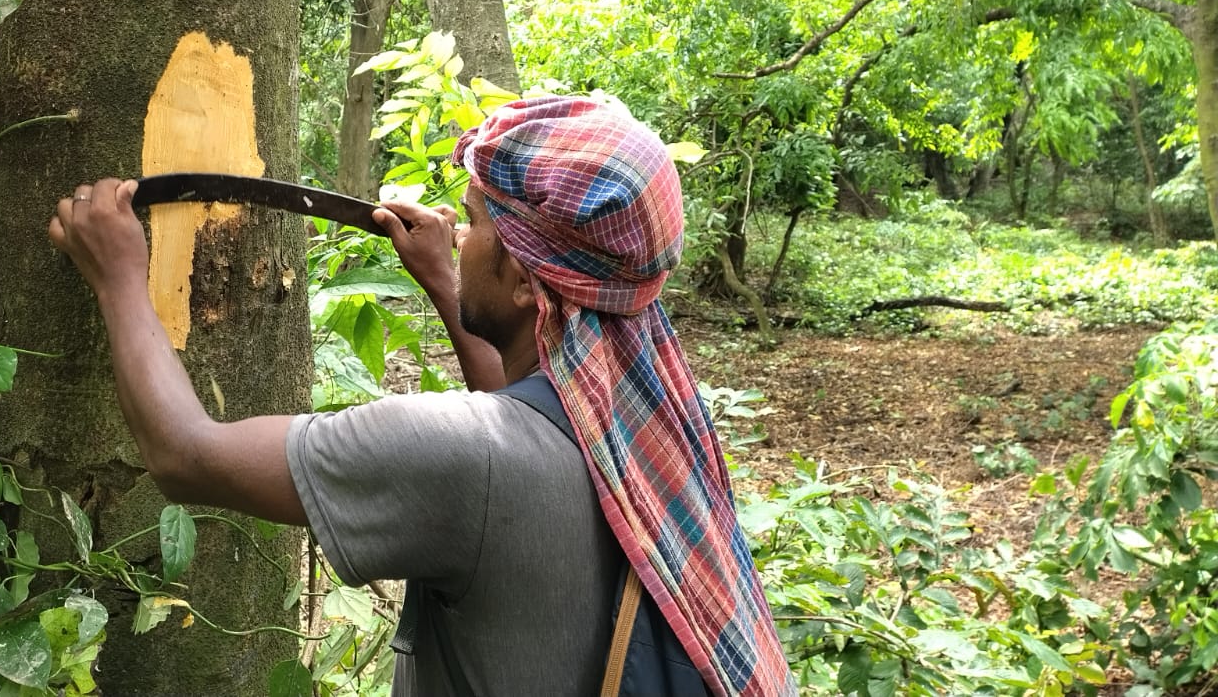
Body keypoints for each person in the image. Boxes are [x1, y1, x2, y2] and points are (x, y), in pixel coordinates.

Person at [48, 95, 795, 696]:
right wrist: (448, 279)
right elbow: (529, 421)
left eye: (472, 223)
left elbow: (186, 456)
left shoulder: (464, 457)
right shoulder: (646, 415)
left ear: (529, 281)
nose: (457, 234)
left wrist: (119, 278)